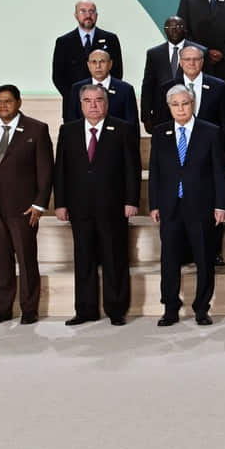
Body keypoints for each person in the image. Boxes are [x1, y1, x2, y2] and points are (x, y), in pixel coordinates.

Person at [0, 84, 54, 324]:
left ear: (19, 102)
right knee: (1, 261)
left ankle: (29, 309)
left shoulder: (37, 129)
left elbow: (45, 171)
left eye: (8, 101)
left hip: (24, 209)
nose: (3, 105)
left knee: (26, 260)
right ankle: (3, 309)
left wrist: (39, 204)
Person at [52, 85, 140, 325]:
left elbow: (131, 168)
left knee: (114, 257)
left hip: (113, 207)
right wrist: (60, 203)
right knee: (83, 259)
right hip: (79, 207)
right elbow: (60, 170)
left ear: (106, 103)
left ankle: (116, 309)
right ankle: (85, 310)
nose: (93, 105)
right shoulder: (68, 130)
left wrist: (131, 200)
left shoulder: (122, 129)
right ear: (80, 104)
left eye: (99, 100)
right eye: (88, 100)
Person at [149, 87, 225, 326]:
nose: (180, 109)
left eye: (184, 103)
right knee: (169, 260)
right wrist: (154, 204)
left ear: (192, 104)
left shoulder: (210, 131)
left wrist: (221, 205)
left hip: (201, 206)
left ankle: (201, 308)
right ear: (169, 107)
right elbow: (155, 171)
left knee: (204, 259)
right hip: (170, 207)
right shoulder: (160, 132)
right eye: (175, 105)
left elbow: (219, 172)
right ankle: (170, 308)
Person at [51, 0, 123, 96]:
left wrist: (105, 97)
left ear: (96, 15)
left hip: (105, 100)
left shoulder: (111, 39)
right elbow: (58, 77)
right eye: (83, 11)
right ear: (76, 15)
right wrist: (75, 98)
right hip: (74, 101)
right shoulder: (63, 42)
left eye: (91, 11)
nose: (88, 15)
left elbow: (117, 72)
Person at [64, 48, 138, 124]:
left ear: (110, 64)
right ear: (88, 65)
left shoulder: (125, 89)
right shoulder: (77, 88)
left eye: (102, 62)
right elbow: (71, 122)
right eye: (94, 62)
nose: (98, 66)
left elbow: (132, 124)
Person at [140, 16, 191, 126]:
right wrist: (146, 116)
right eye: (170, 27)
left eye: (178, 26)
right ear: (165, 30)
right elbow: (148, 85)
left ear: (185, 29)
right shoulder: (154, 53)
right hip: (161, 112)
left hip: (190, 111)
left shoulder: (198, 52)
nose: (174, 30)